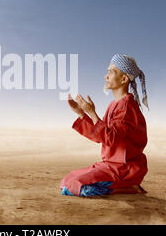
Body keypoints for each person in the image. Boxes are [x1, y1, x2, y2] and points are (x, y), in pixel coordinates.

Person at [60, 54, 149, 197]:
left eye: (111, 72)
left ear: (124, 79)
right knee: (67, 181)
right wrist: (82, 114)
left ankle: (127, 187)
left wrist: (92, 112)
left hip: (124, 168)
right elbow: (101, 136)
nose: (106, 76)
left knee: (77, 187)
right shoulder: (115, 104)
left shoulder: (126, 107)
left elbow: (111, 138)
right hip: (110, 165)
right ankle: (121, 186)